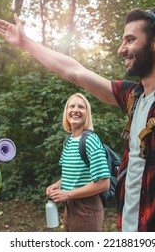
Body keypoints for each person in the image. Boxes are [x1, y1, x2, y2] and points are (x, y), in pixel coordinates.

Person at [0, 7, 155, 232]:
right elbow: (75, 71)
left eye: (130, 40)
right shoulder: (134, 96)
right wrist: (26, 43)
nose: (121, 50)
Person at [46, 93, 110, 231]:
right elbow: (72, 174)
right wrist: (57, 185)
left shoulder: (91, 140)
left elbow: (104, 183)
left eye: (81, 107)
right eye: (71, 106)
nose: (75, 110)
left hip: (87, 208)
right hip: (70, 206)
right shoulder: (68, 141)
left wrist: (68, 194)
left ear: (87, 113)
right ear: (66, 112)